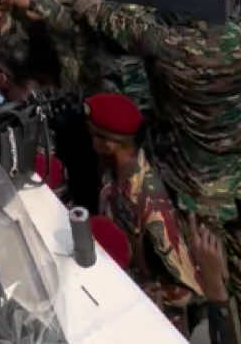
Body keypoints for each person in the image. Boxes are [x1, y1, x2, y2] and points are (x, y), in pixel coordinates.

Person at [86, 91, 201, 317]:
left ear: (110, 145)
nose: (90, 140)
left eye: (93, 135)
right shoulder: (114, 174)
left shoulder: (151, 203)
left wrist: (137, 292)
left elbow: (187, 291)